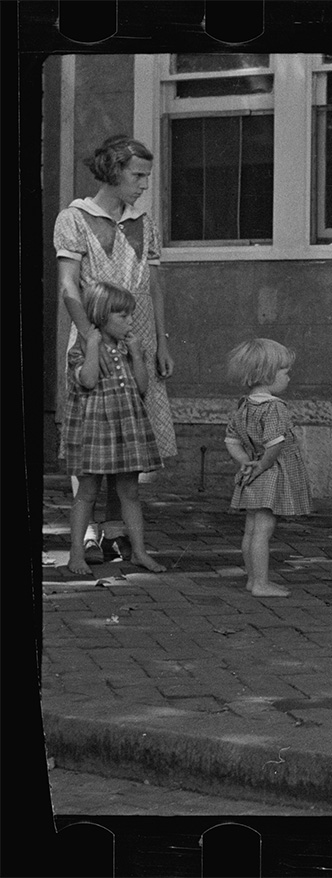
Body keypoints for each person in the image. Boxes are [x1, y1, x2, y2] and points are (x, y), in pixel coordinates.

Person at [54, 134, 176, 565]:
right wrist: (90, 336)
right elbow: (70, 284)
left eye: (147, 176)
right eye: (137, 175)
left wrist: (160, 341)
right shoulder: (74, 217)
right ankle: (85, 535)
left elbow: (154, 286)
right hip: (94, 336)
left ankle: (115, 532)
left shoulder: (146, 221)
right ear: (113, 170)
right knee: (93, 438)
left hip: (137, 336)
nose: (144, 184)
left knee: (127, 440)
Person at [61, 281, 166, 576]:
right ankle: (76, 554)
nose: (130, 321)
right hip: (94, 432)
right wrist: (93, 345)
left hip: (125, 428)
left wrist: (137, 356)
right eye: (123, 316)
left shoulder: (127, 348)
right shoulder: (80, 349)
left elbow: (142, 387)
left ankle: (140, 552)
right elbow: (89, 380)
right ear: (102, 315)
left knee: (130, 491)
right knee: (87, 493)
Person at [224, 339, 312, 598]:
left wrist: (246, 462)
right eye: (284, 371)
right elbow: (275, 444)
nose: (288, 376)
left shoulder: (244, 405)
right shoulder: (274, 407)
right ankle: (261, 583)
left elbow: (231, 440)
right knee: (264, 530)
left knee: (251, 529)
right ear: (267, 375)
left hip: (252, 474)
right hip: (270, 475)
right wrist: (262, 465)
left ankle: (253, 579)